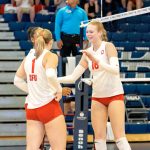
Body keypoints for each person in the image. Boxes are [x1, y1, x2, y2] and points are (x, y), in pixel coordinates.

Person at [58, 20, 131, 150]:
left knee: (119, 137)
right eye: (87, 32)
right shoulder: (87, 52)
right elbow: (73, 77)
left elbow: (115, 70)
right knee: (99, 139)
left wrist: (95, 59)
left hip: (114, 95)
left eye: (91, 32)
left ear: (100, 32)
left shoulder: (108, 46)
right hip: (98, 97)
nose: (88, 34)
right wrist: (53, 79)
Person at [14, 28, 67, 150]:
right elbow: (50, 75)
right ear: (51, 41)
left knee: (32, 147)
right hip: (48, 105)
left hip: (32, 108)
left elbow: (17, 80)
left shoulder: (28, 57)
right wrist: (58, 90)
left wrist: (33, 90)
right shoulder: (50, 55)